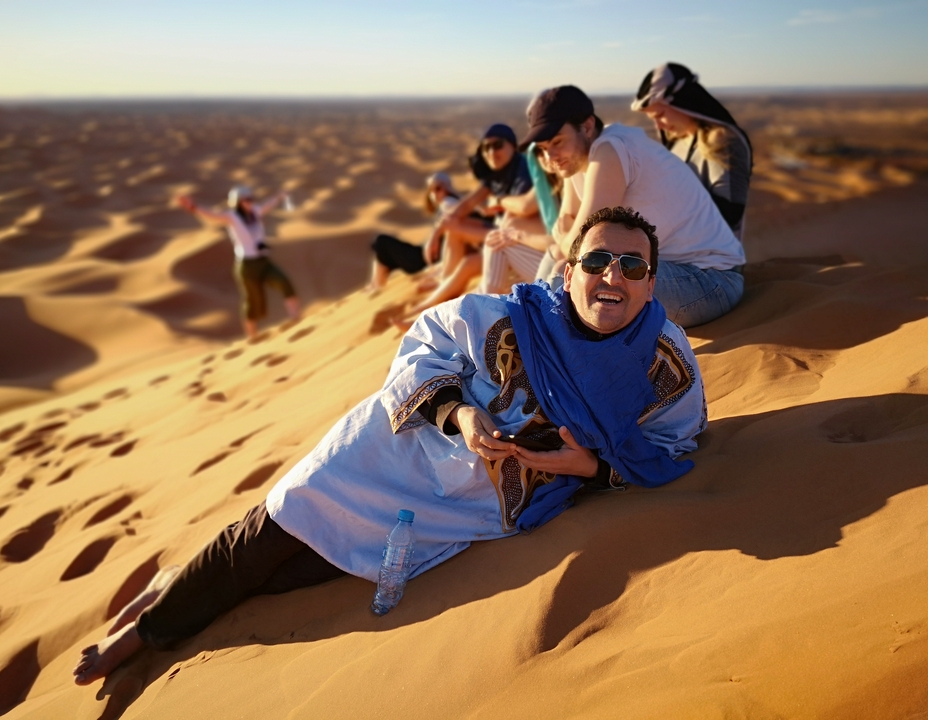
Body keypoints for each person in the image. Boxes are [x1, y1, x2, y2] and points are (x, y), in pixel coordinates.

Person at [72, 206, 707, 686]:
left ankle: (177, 583)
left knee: (304, 572)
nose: (611, 277)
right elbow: (424, 346)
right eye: (596, 262)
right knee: (275, 528)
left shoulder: (667, 367)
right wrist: (458, 413)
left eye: (632, 266)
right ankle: (146, 632)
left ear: (651, 284)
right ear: (568, 272)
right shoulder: (502, 317)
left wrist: (591, 469)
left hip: (472, 504)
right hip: (394, 450)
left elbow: (674, 449)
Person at [521, 85, 747, 328]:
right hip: (667, 272)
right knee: (560, 262)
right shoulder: (576, 159)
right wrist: (566, 241)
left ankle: (542, 347)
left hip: (711, 281)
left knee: (571, 273)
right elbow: (565, 225)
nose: (550, 157)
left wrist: (566, 241)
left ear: (586, 127)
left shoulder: (610, 149)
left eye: (557, 142)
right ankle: (528, 331)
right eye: (544, 149)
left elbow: (576, 243)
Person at [408, 123, 542, 313]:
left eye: (497, 145)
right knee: (457, 232)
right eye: (486, 147)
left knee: (461, 245)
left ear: (512, 145)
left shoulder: (523, 170)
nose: (491, 152)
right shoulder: (497, 175)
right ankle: (438, 292)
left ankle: (431, 302)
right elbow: (467, 204)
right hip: (503, 239)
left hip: (526, 245)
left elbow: (523, 211)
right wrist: (436, 235)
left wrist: (499, 201)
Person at [632, 62, 753, 240]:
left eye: (660, 115)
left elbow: (729, 214)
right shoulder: (678, 140)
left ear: (682, 102)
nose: (658, 125)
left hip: (712, 261)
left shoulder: (720, 141)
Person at [178, 186, 301, 340]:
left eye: (251, 199)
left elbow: (267, 206)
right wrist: (193, 207)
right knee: (252, 301)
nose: (250, 202)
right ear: (237, 203)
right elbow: (212, 216)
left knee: (284, 282)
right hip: (247, 265)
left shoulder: (255, 212)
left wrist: (280, 196)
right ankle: (252, 337)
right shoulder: (231, 217)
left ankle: (296, 319)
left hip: (263, 260)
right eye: (246, 200)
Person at [366, 172, 485, 292]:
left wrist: (435, 237)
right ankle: (375, 286)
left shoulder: (448, 203)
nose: (434, 194)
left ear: (447, 188)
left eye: (438, 188)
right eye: (431, 191)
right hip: (425, 256)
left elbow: (448, 220)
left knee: (381, 243)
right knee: (384, 252)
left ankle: (376, 287)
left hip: (422, 261)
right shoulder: (457, 202)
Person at [479, 143, 561, 294]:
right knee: (502, 234)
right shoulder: (552, 184)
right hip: (556, 262)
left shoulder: (564, 185)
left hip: (567, 272)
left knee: (497, 240)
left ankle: (485, 310)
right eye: (540, 151)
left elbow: (525, 207)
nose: (547, 156)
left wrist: (518, 236)